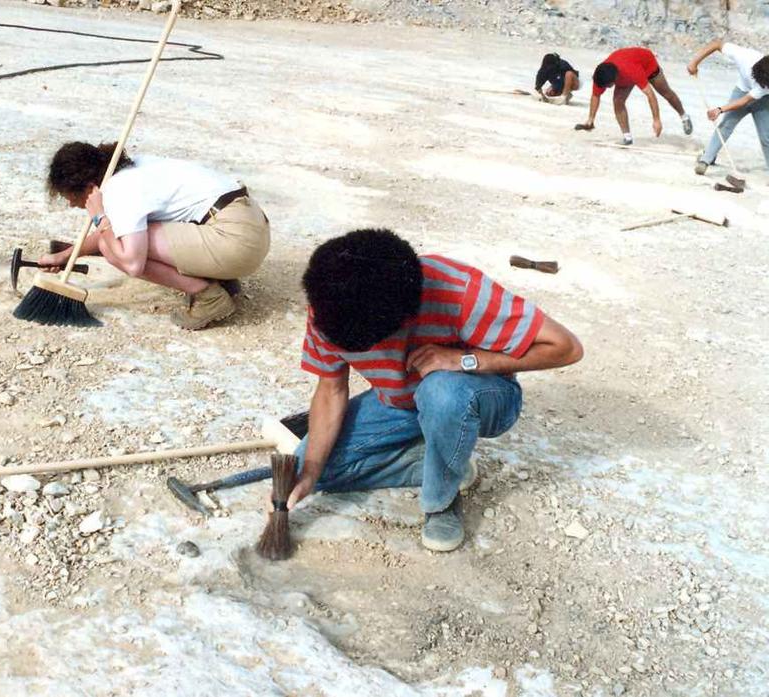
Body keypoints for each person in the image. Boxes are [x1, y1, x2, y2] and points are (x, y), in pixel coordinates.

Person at [288, 229, 583, 552]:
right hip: (400, 401)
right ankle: (444, 462)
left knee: (442, 391)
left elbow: (566, 347)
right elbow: (331, 390)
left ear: (405, 317)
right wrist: (313, 469)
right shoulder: (329, 305)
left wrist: (465, 359)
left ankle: (440, 500)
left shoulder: (459, 290)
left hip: (479, 395)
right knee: (309, 468)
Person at [41, 142, 270, 330]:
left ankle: (209, 296)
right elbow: (124, 229)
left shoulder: (121, 190)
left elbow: (132, 263)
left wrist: (100, 218)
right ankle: (221, 277)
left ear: (89, 187)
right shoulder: (131, 168)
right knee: (118, 238)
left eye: (69, 196)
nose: (71, 204)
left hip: (235, 241)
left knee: (114, 248)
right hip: (249, 226)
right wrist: (66, 256)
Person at [575, 47, 693, 145]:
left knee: (666, 93)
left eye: (609, 86)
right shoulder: (601, 75)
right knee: (618, 101)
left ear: (615, 79)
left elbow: (650, 95)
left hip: (647, 63)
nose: (607, 88)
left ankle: (684, 116)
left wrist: (656, 120)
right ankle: (627, 137)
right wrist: (590, 120)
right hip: (626, 68)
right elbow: (595, 96)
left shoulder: (631, 71)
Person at [687, 38, 769, 175]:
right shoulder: (745, 57)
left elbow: (745, 101)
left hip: (762, 100)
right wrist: (695, 62)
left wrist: (720, 109)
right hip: (742, 90)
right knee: (726, 126)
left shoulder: (765, 88)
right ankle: (706, 160)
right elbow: (717, 43)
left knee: (766, 136)